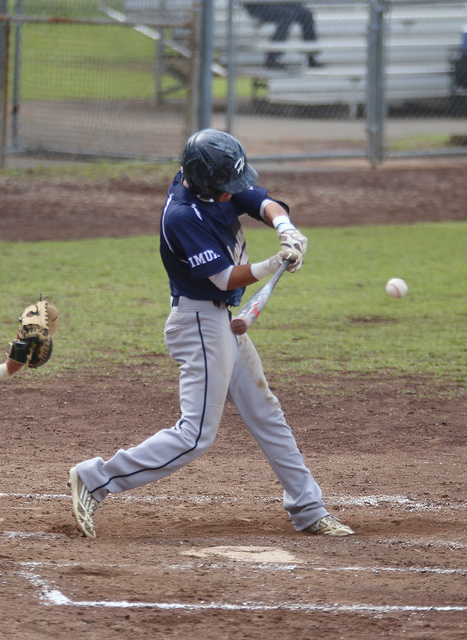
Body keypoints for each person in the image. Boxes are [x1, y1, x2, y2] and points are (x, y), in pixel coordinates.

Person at [68, 129, 354, 540]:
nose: (231, 193)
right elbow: (224, 278)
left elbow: (258, 199)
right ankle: (94, 478)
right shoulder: (183, 216)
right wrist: (275, 263)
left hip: (221, 323)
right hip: (200, 324)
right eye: (226, 188)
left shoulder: (209, 181)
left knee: (266, 412)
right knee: (194, 436)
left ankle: (309, 509)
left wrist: (286, 228)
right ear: (205, 183)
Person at [244, 2, 320, 69]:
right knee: (287, 15)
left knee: (306, 14)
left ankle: (311, 56)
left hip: (280, 3)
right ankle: (272, 56)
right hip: (258, 5)